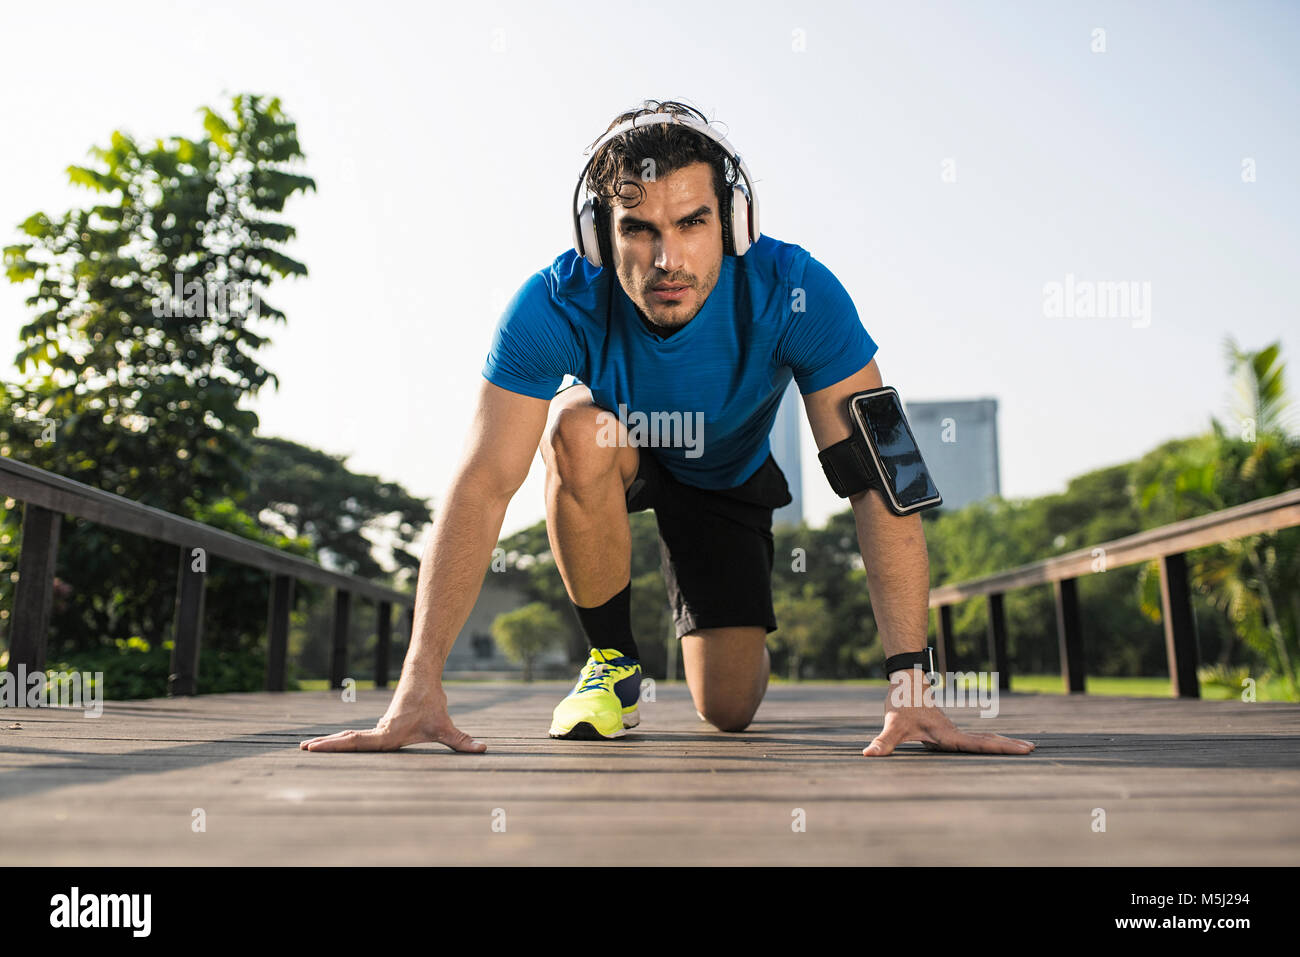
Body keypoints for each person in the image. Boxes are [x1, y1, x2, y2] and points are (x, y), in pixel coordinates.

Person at [301, 99, 1035, 757]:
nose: (666, 259)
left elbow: (883, 480)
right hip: (629, 450)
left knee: (728, 707)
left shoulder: (800, 291)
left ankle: (726, 626)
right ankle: (614, 666)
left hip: (730, 478)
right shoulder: (553, 303)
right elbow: (483, 482)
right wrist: (418, 682)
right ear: (597, 234)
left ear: (735, 221)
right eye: (638, 229)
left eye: (692, 223)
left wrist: (911, 682)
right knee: (578, 428)